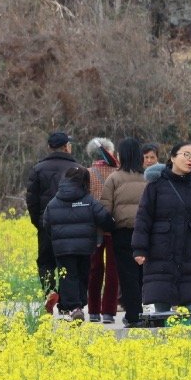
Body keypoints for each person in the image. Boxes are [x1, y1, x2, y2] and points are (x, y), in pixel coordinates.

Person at [133, 142, 191, 315]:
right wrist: (139, 249)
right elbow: (143, 219)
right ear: (173, 157)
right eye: (186, 155)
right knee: (161, 305)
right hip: (161, 252)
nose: (190, 160)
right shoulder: (156, 185)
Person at [43, 166, 115, 320]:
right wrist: (112, 226)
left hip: (62, 248)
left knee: (67, 276)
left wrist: (57, 238)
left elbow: (46, 223)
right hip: (84, 248)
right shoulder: (88, 200)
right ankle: (76, 306)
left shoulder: (54, 201)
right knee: (82, 276)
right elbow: (104, 219)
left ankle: (69, 306)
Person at [26, 131, 80, 313]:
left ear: (50, 148)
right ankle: (66, 304)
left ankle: (50, 293)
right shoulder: (78, 169)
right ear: (66, 147)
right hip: (72, 226)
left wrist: (39, 222)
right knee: (68, 264)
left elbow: (32, 201)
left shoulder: (38, 169)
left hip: (46, 225)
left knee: (46, 262)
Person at [101, 138, 150, 327]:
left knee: (127, 275)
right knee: (142, 275)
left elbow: (106, 209)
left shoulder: (114, 178)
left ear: (121, 156)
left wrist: (109, 228)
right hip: (145, 234)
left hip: (122, 234)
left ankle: (133, 314)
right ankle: (143, 312)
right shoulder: (148, 177)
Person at [85, 137, 120, 324]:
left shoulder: (87, 173)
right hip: (114, 226)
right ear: (110, 152)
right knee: (113, 270)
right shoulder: (118, 172)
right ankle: (108, 312)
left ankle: (93, 311)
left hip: (93, 228)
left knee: (94, 269)